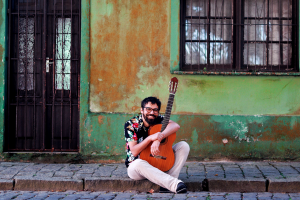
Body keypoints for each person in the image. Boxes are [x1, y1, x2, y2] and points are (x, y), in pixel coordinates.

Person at [124, 96, 190, 193]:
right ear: (142, 110)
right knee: (137, 163)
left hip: (160, 163)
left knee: (183, 145)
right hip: (138, 169)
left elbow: (175, 125)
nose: (152, 112)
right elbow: (134, 151)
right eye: (149, 109)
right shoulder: (131, 125)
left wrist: (159, 138)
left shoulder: (159, 119)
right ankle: (173, 184)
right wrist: (151, 138)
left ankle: (169, 179)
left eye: (155, 110)